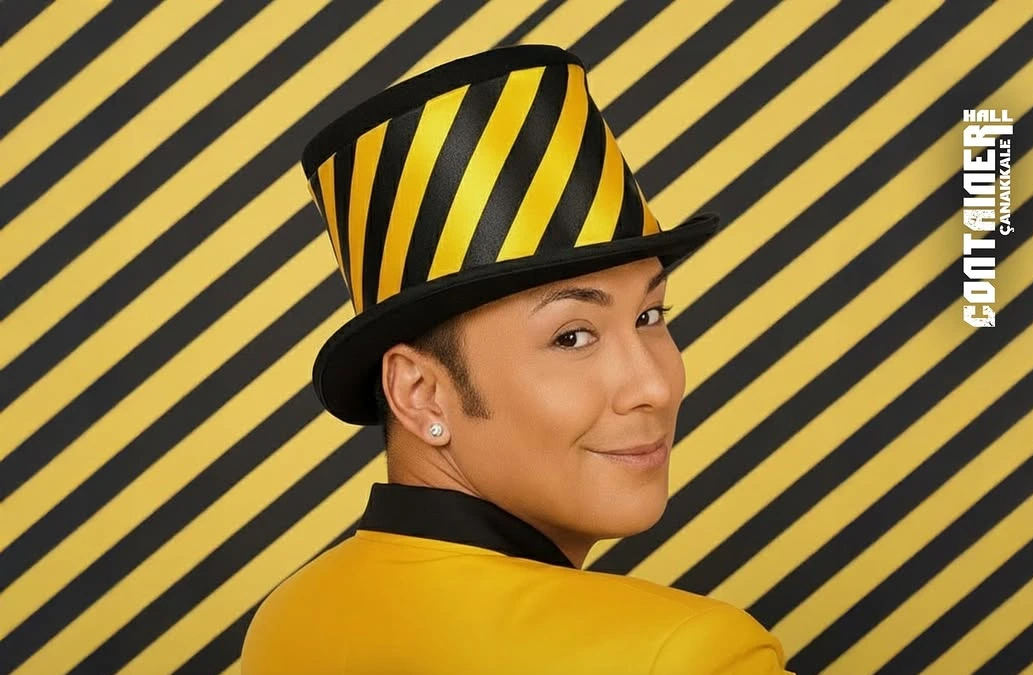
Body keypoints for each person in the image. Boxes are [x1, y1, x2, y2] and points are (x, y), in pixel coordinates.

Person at [240, 44, 793, 675]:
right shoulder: (687, 654)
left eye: (649, 316)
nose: (653, 386)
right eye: (572, 337)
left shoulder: (290, 618)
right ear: (420, 393)